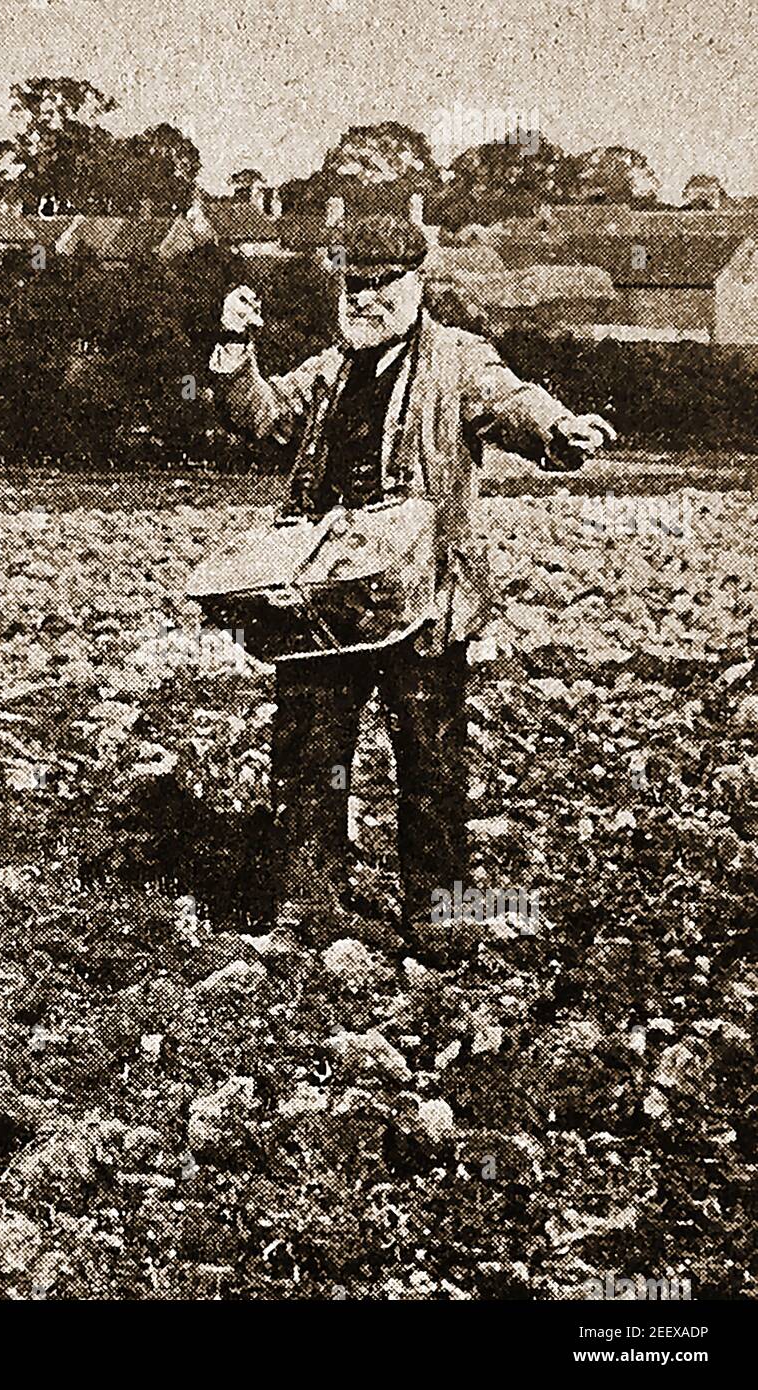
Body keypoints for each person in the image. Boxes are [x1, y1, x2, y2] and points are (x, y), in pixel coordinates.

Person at [207, 214, 615, 957]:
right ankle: (309, 906)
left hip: (422, 595)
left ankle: (438, 917)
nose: (363, 300)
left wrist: (560, 431)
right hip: (327, 595)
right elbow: (261, 420)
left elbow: (511, 402)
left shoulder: (458, 359)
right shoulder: (329, 370)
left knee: (429, 758)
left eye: (380, 285)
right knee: (309, 751)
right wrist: (236, 348)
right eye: (352, 286)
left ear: (414, 282)